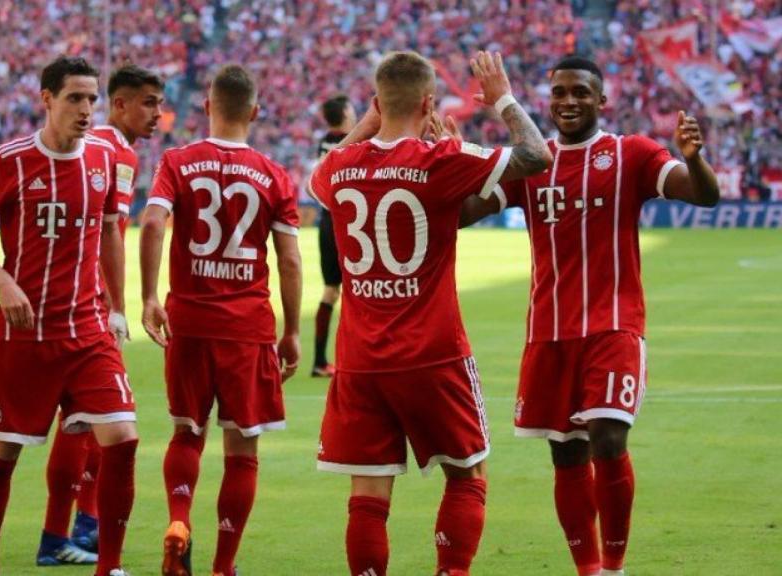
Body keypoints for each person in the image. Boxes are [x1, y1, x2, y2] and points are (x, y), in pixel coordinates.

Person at [459, 55, 719, 576]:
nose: (569, 101)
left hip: (613, 325)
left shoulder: (632, 154)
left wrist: (693, 159)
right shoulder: (531, 161)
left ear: (602, 100)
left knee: (608, 436)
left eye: (580, 92)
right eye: (560, 92)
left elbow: (704, 195)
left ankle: (615, 566)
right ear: (548, 100)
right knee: (566, 455)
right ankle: (589, 568)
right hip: (549, 332)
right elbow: (465, 214)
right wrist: (451, 159)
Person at [309, 50, 551, 576]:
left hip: (360, 361)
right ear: (429, 102)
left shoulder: (340, 168)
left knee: (368, 494)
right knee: (467, 476)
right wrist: (503, 96)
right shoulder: (440, 160)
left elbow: (315, 181)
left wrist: (369, 125)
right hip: (433, 353)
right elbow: (535, 155)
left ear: (375, 102)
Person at [0, 55, 138, 576]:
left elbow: (108, 231)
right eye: (74, 98)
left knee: (123, 439)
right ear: (47, 99)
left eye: (91, 99)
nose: (85, 109)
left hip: (87, 331)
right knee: (3, 452)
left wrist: (118, 305)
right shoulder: (9, 159)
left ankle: (110, 566)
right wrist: (4, 281)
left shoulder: (103, 159)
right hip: (25, 335)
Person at [139, 64, 303, 576]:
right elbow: (291, 260)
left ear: (207, 107)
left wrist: (148, 296)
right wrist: (293, 331)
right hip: (247, 328)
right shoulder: (275, 174)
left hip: (188, 319)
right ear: (254, 112)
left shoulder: (177, 160)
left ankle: (179, 519)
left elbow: (150, 221)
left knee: (187, 432)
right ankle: (223, 566)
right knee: (242, 449)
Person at [37, 63, 165, 567]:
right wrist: (117, 307)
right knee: (87, 421)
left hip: (71, 301)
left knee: (91, 422)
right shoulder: (116, 152)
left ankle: (82, 526)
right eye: (149, 102)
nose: (158, 113)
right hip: (84, 307)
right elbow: (111, 232)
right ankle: (63, 533)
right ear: (119, 104)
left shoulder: (102, 148)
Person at [311, 94, 356, 377]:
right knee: (355, 292)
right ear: (344, 114)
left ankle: (319, 361)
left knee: (331, 290)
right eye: (351, 108)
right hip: (345, 224)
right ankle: (351, 360)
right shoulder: (349, 143)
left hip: (326, 222)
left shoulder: (324, 142)